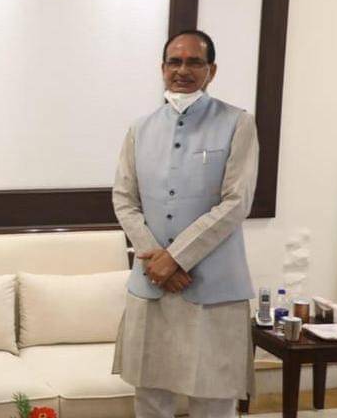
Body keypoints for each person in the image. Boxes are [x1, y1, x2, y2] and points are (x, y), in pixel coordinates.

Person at [112, 30, 259, 418]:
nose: (183, 70)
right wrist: (155, 260)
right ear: (162, 68)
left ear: (212, 70)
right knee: (150, 397)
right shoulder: (139, 129)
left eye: (194, 62)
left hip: (214, 286)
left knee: (214, 397)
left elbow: (236, 202)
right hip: (152, 284)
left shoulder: (237, 123)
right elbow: (124, 199)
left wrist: (175, 258)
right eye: (174, 62)